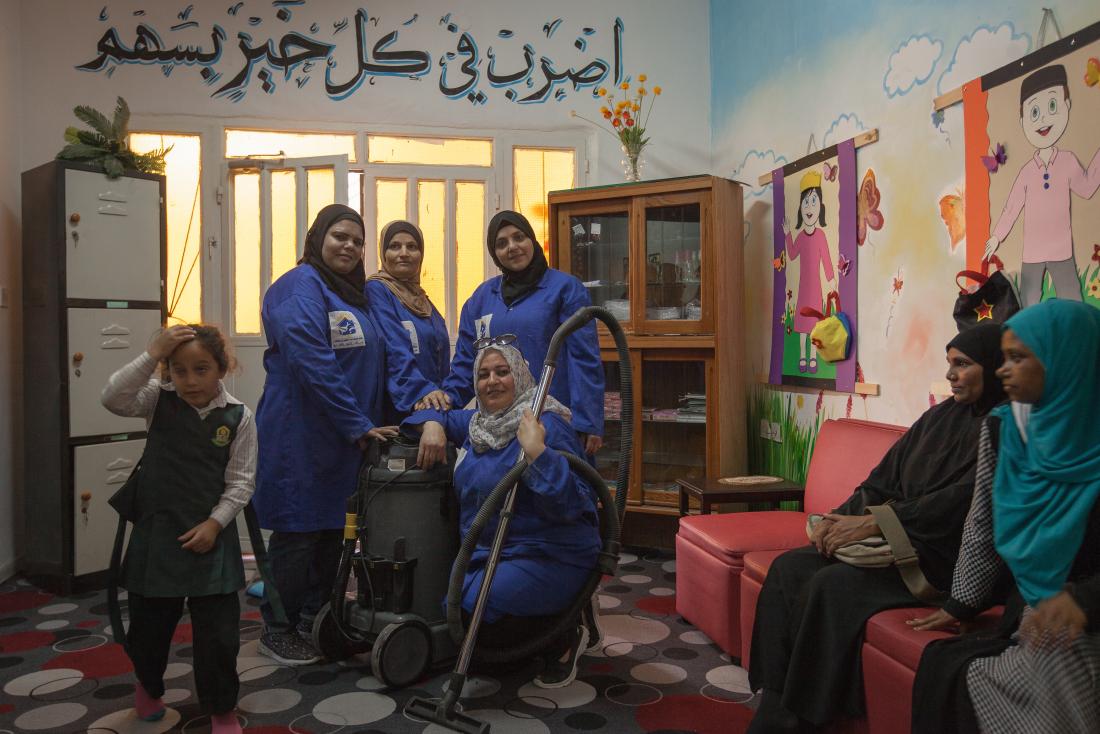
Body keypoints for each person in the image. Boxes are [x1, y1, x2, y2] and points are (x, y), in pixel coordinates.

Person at [746, 321, 1007, 733]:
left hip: (938, 558)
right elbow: (882, 479)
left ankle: (811, 717)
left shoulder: (1005, 428)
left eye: (963, 364)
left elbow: (959, 505)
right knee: (788, 569)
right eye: (949, 364)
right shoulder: (939, 417)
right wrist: (838, 519)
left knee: (829, 586)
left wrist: (873, 526)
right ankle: (776, 704)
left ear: (994, 367)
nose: (951, 375)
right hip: (889, 539)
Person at [911, 300, 1100, 734]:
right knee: (948, 667)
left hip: (1082, 609)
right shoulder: (1005, 428)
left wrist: (1084, 601)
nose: (1002, 370)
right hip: (1038, 604)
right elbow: (983, 523)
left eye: (1018, 357)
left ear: (1066, 358)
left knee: (1058, 662)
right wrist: (960, 603)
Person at [409, 338, 600, 688]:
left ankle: (566, 632)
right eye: (483, 374)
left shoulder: (545, 423)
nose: (492, 381)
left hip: (552, 551)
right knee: (455, 606)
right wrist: (433, 425)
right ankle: (529, 639)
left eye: (502, 372)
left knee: (481, 611)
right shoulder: (479, 423)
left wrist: (538, 454)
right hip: (489, 552)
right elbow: (430, 412)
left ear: (522, 376)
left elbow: (577, 503)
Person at [253, 204, 397, 665]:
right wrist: (357, 424)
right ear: (317, 238)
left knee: (335, 531)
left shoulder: (356, 295)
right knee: (298, 532)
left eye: (357, 240)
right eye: (340, 236)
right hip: (302, 434)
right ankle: (277, 626)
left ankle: (316, 616)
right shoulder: (298, 287)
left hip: (346, 438)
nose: (350, 246)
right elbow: (311, 360)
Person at [101, 324, 252, 734]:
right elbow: (113, 396)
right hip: (159, 535)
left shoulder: (238, 415)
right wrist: (152, 354)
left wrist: (214, 523)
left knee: (219, 638)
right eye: (179, 370)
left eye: (201, 369)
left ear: (221, 368)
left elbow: (241, 482)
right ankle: (148, 690)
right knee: (149, 628)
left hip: (212, 538)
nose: (190, 381)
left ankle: (221, 710)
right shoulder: (157, 399)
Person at [441, 210, 605, 455]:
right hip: (497, 427)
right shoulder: (481, 299)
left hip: (552, 421)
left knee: (556, 484)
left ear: (532, 240)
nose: (512, 247)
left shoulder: (565, 289)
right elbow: (467, 364)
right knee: (503, 490)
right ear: (494, 253)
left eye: (519, 237)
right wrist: (440, 405)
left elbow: (583, 359)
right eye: (501, 243)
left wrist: (588, 422)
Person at [983, 64, 1100, 305]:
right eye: (1034, 112)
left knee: (1073, 300)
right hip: (1033, 253)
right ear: (1023, 119)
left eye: (1053, 106)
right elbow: (1011, 207)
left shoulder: (1067, 161)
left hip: (1061, 250)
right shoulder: (1027, 172)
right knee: (1029, 305)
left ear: (1066, 106)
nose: (1044, 119)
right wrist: (996, 237)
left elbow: (1087, 188)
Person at [367, 220, 451, 421]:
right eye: (394, 246)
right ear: (383, 253)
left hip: (430, 408)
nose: (404, 253)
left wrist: (442, 400)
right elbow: (393, 348)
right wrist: (421, 392)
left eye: (412, 247)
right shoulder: (377, 291)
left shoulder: (423, 301)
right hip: (398, 413)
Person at [783, 169, 836, 373]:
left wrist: (832, 279)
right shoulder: (802, 237)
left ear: (820, 207)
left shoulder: (821, 235)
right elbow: (793, 253)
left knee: (814, 326)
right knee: (802, 327)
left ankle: (813, 358)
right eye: (806, 202)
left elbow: (827, 261)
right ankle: (803, 358)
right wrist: (788, 234)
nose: (809, 207)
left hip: (816, 289)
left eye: (813, 201)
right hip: (803, 288)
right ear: (800, 209)